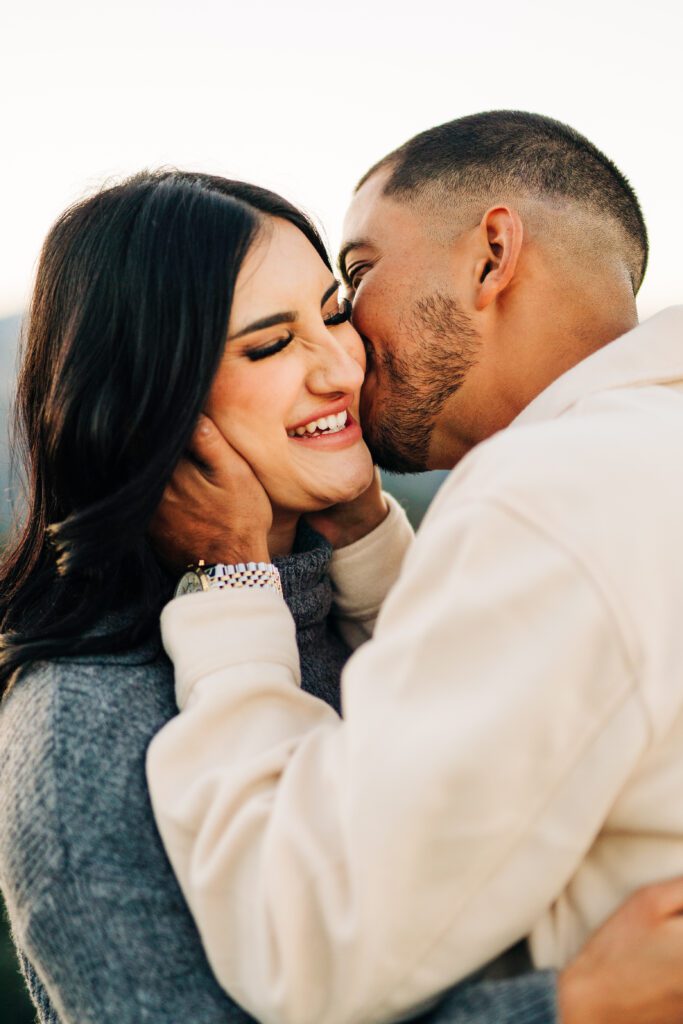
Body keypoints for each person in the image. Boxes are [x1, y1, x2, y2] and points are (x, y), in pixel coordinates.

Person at [0, 166, 644, 1024]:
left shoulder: (377, 601)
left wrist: (361, 529)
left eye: (335, 313)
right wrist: (566, 1010)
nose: (342, 367)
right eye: (269, 346)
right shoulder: (83, 719)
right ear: (156, 397)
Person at [145, 111, 683, 1024]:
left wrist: (229, 590)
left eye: (355, 277)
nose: (346, 341)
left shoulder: (547, 500)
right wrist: (364, 537)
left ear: (491, 254)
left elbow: (308, 945)